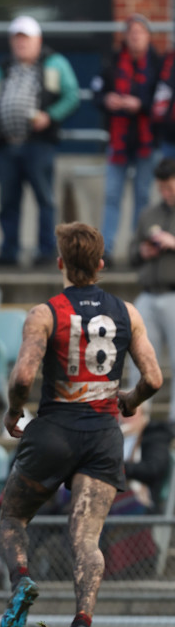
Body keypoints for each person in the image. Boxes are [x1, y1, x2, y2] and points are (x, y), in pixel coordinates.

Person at [0, 222, 162, 627]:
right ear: (102, 265)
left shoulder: (46, 312)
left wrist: (15, 412)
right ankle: (81, 625)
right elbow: (154, 378)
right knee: (85, 539)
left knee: (13, 516)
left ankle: (23, 583)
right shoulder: (128, 312)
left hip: (55, 431)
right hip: (103, 437)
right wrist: (128, 401)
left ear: (60, 264)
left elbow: (25, 376)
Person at [0, 15, 80, 268]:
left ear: (38, 41)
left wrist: (50, 116)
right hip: (6, 145)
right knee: (7, 202)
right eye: (16, 39)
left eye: (25, 39)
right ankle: (8, 252)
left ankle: (46, 252)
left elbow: (72, 95)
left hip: (39, 144)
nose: (20, 44)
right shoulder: (1, 67)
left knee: (44, 199)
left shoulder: (55, 64)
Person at [91, 14, 161, 265]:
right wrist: (108, 100)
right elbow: (96, 92)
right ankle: (106, 250)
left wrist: (141, 104)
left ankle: (138, 249)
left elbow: (164, 98)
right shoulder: (112, 62)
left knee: (143, 197)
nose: (135, 37)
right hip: (118, 142)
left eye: (140, 33)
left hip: (146, 141)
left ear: (148, 37)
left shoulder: (157, 63)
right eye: (131, 33)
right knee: (111, 195)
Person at [128, 157, 175, 429]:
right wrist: (143, 251)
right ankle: (136, 421)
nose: (165, 193)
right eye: (162, 188)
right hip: (148, 294)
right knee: (139, 362)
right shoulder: (150, 213)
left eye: (169, 187)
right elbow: (132, 252)